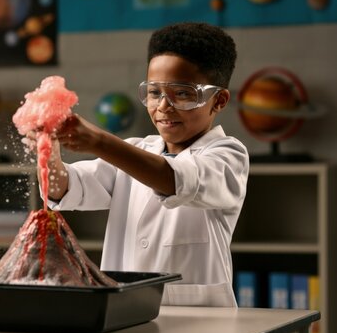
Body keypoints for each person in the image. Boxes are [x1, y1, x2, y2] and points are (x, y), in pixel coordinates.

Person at [43, 22, 249, 307]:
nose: (163, 106)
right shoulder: (137, 150)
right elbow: (63, 187)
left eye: (183, 93)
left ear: (219, 101)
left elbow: (176, 180)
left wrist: (100, 141)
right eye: (154, 92)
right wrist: (47, 147)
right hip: (123, 313)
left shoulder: (227, 156)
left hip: (199, 320)